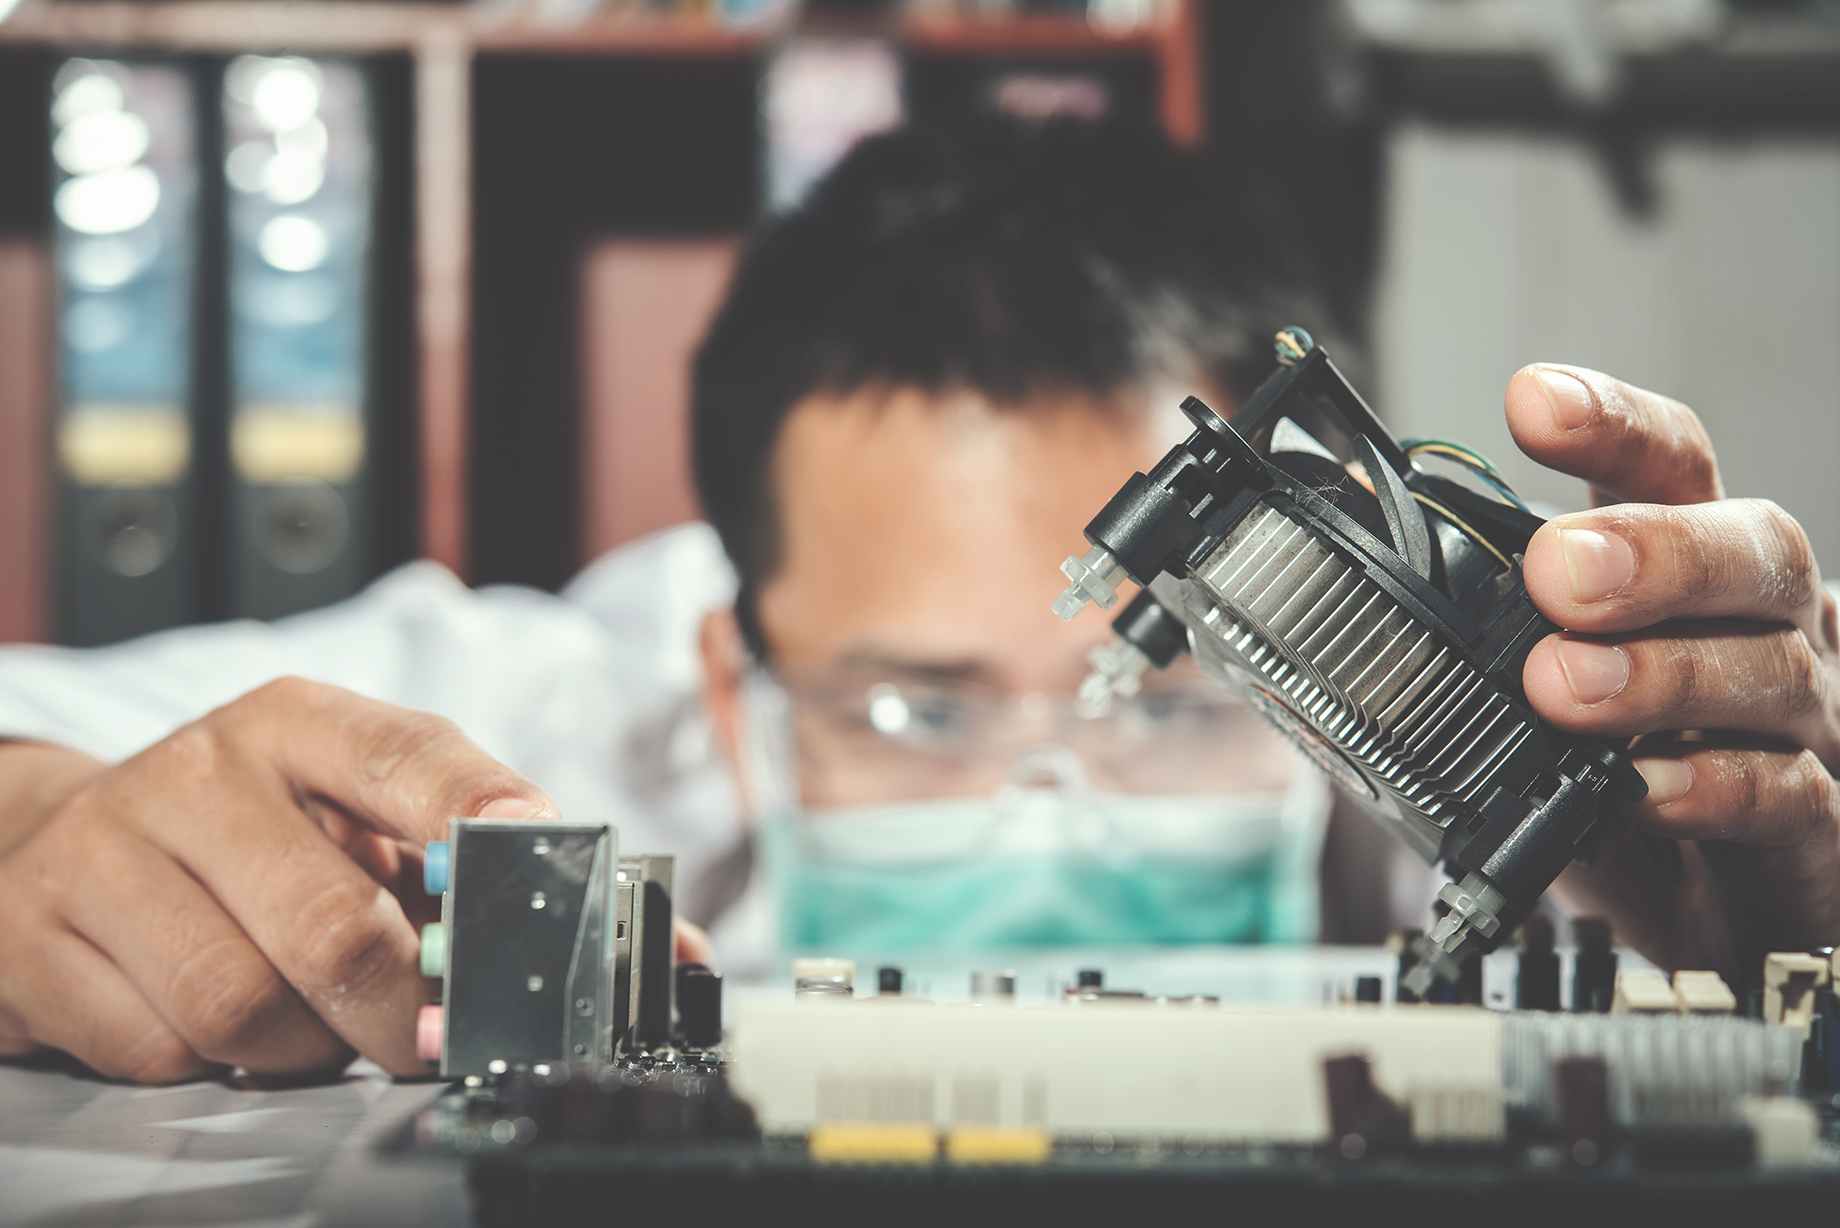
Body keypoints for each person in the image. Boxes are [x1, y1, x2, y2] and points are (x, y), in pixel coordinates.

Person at [0, 120, 1834, 1085]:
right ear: (728, 682)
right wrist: (48, 841)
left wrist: (1802, 904)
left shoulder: (1471, 763)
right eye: (919, 710)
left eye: (1161, 691)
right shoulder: (540, 729)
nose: (1052, 806)